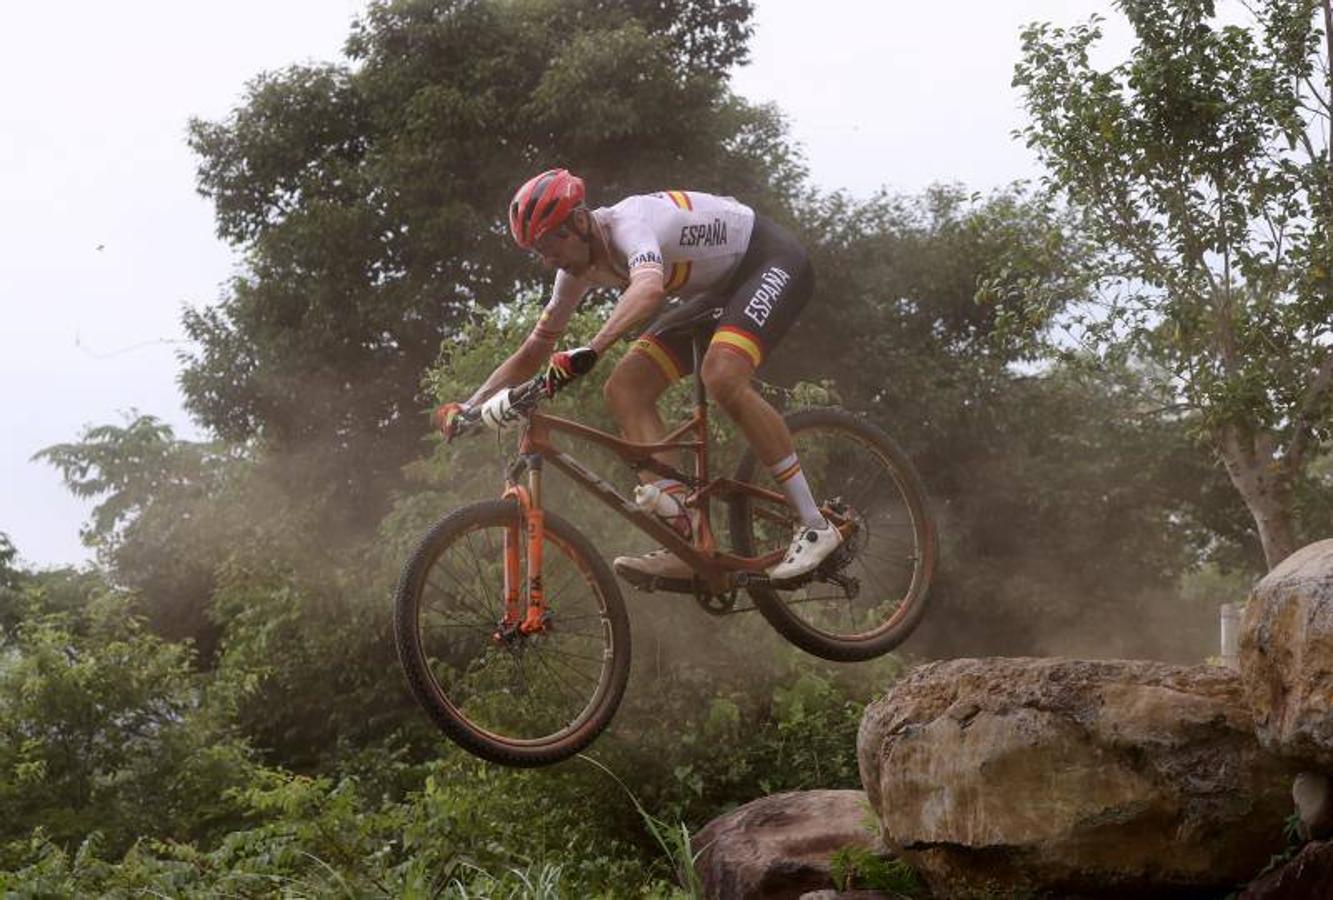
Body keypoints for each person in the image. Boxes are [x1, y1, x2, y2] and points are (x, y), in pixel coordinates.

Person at [434, 168, 841, 583]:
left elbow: (648, 291)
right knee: (626, 389)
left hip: (769, 260)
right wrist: (471, 404)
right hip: (716, 289)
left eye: (547, 244)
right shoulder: (573, 272)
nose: (546, 258)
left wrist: (590, 350)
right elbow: (533, 350)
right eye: (536, 250)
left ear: (578, 222)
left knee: (721, 374)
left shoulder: (631, 224)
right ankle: (687, 540)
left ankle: (815, 525)